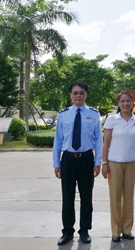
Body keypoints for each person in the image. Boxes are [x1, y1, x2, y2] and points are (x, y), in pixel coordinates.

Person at [52, 81, 103, 246]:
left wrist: (97, 163)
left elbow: (99, 141)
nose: (78, 95)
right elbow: (58, 141)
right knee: (67, 197)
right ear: (71, 95)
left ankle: (84, 231)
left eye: (81, 92)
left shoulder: (94, 114)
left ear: (86, 95)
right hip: (67, 159)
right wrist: (57, 163)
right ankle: (67, 232)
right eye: (75, 93)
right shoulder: (63, 114)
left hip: (86, 159)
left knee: (86, 197)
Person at [102, 91, 135, 243]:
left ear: (132, 102)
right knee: (115, 197)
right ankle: (115, 231)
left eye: (128, 101)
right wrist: (104, 163)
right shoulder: (112, 120)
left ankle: (127, 229)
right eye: (122, 101)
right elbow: (106, 143)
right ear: (119, 104)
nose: (125, 104)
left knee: (128, 197)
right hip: (114, 162)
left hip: (131, 162)